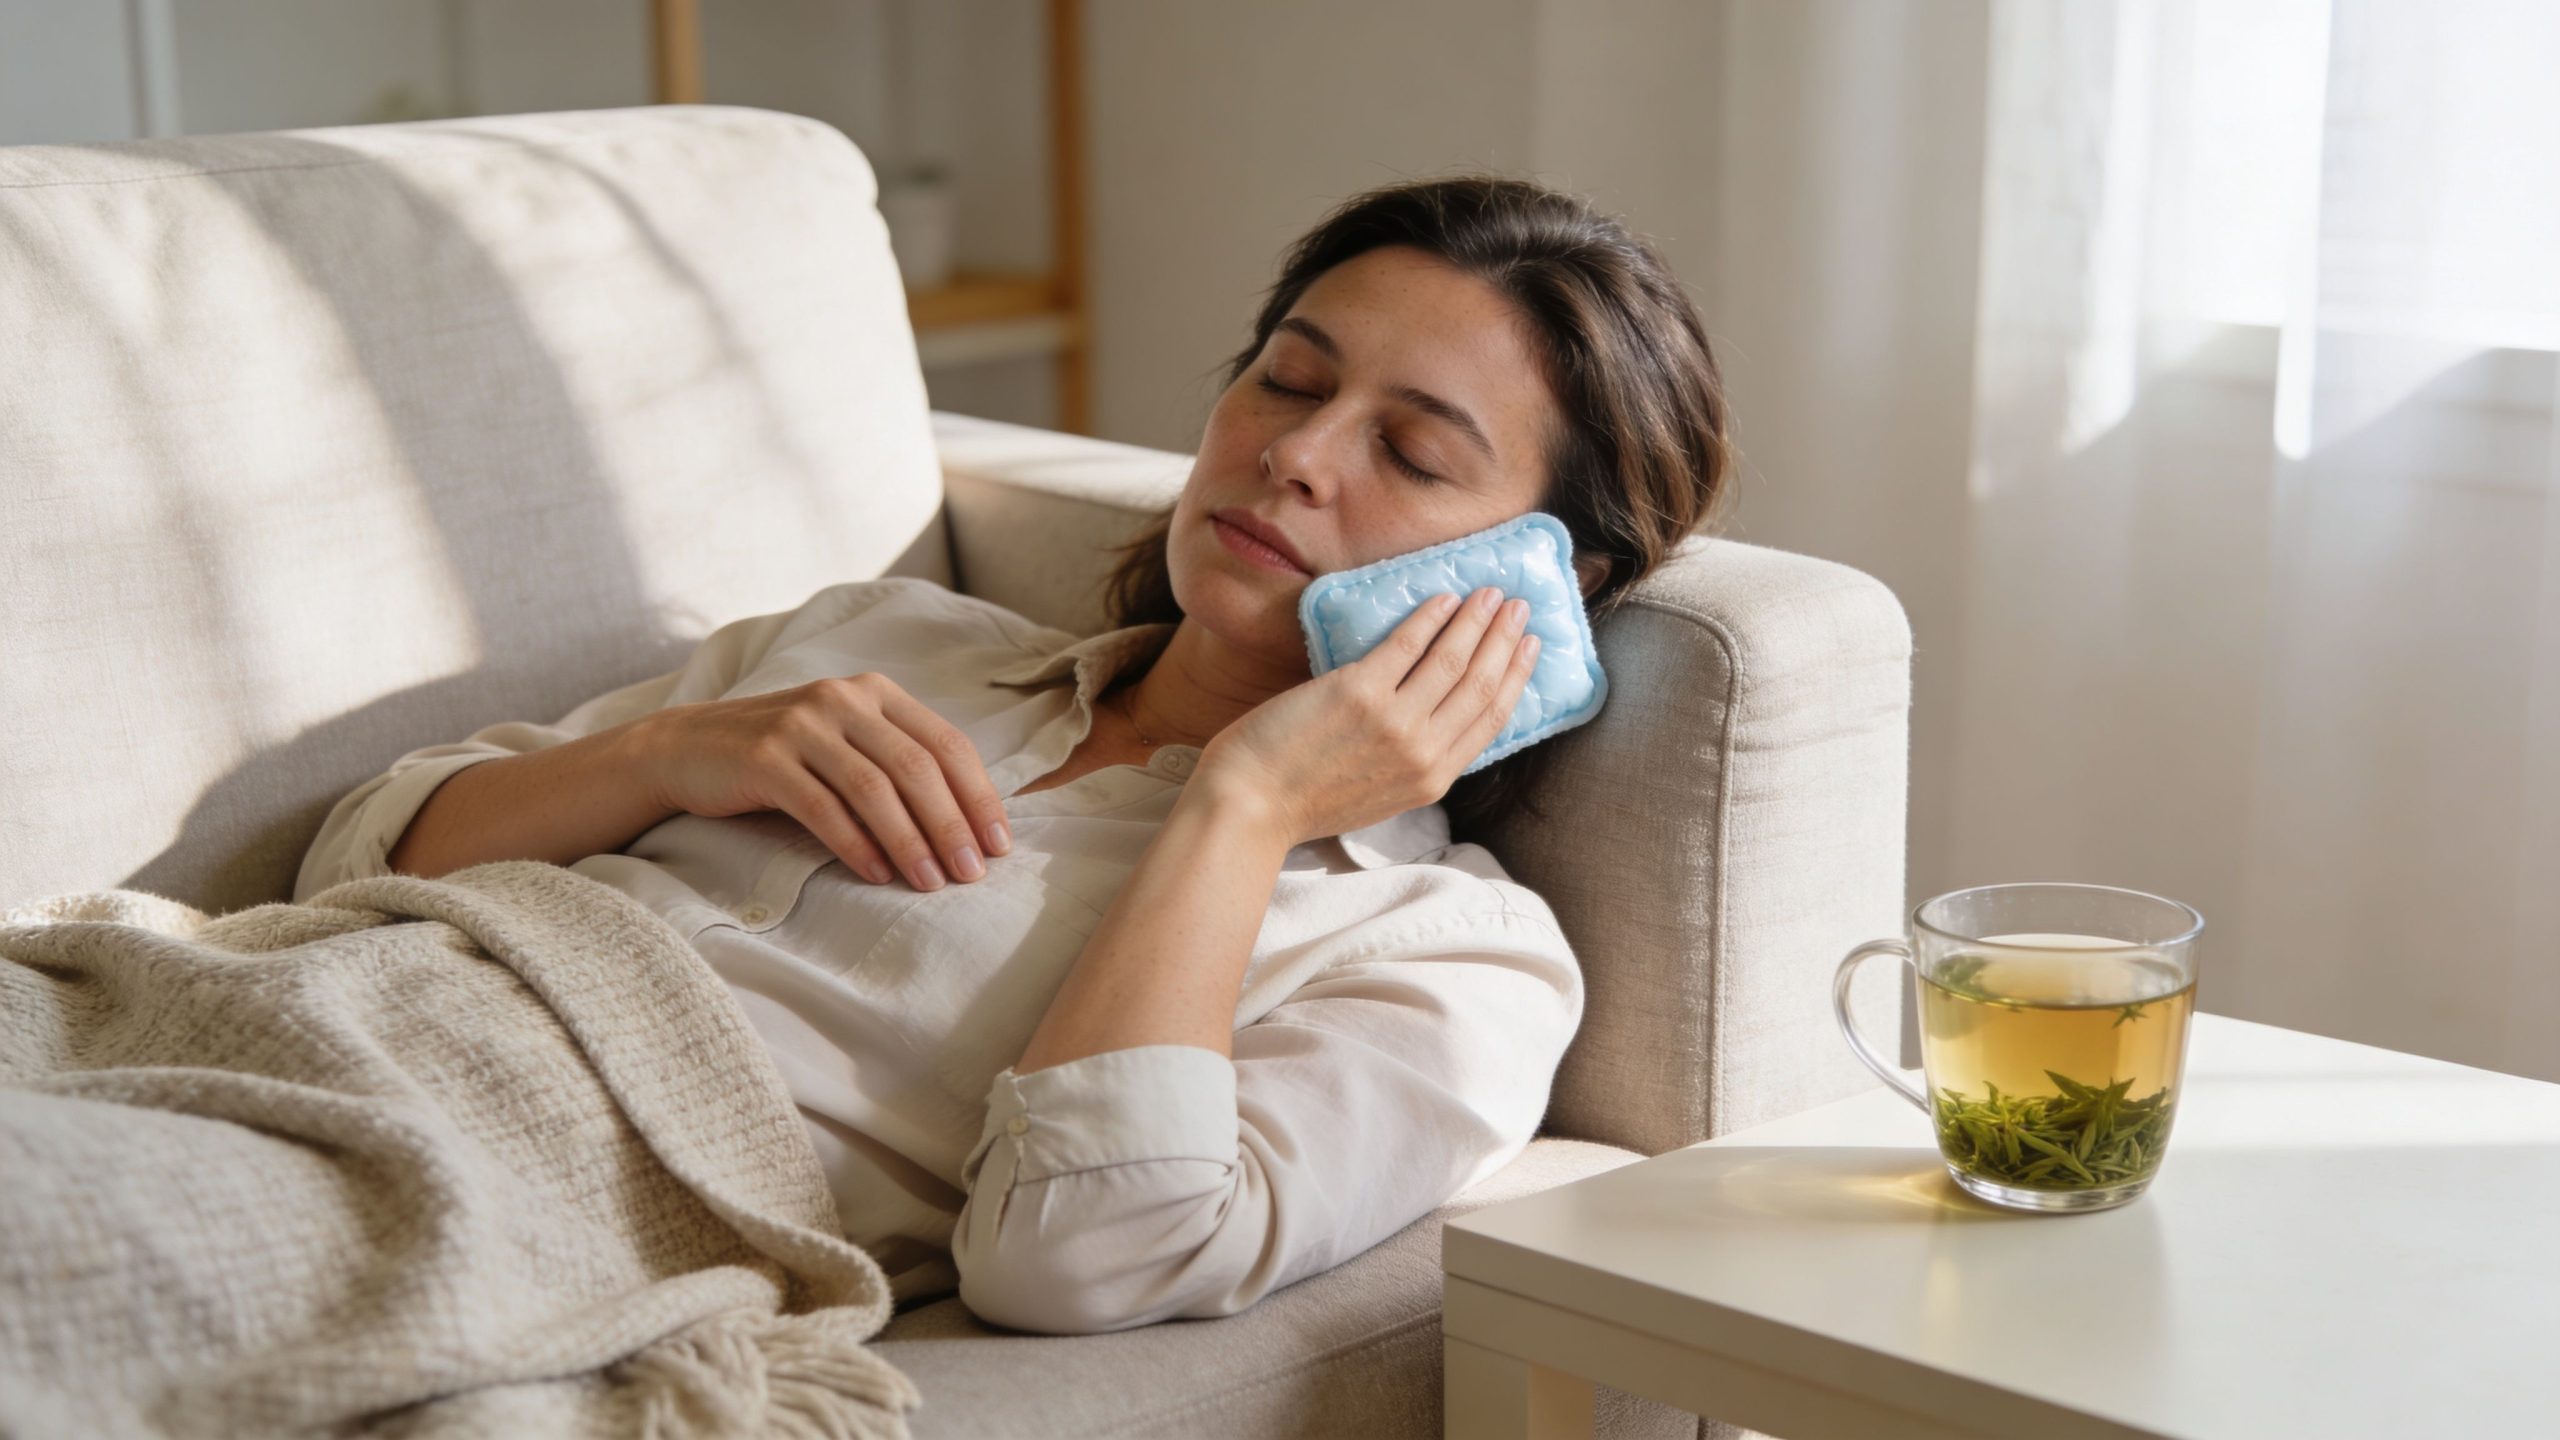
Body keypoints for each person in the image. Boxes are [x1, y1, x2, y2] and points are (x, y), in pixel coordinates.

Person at [297, 174, 1734, 1336]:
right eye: (1288, 381)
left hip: (499, 1208)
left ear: (1553, 585)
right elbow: (354, 860)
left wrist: (1240, 812)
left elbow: (1082, 1256)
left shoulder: (1448, 956)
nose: (1299, 455)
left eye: (1413, 457)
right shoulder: (885, 634)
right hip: (276, 1026)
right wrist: (673, 754)